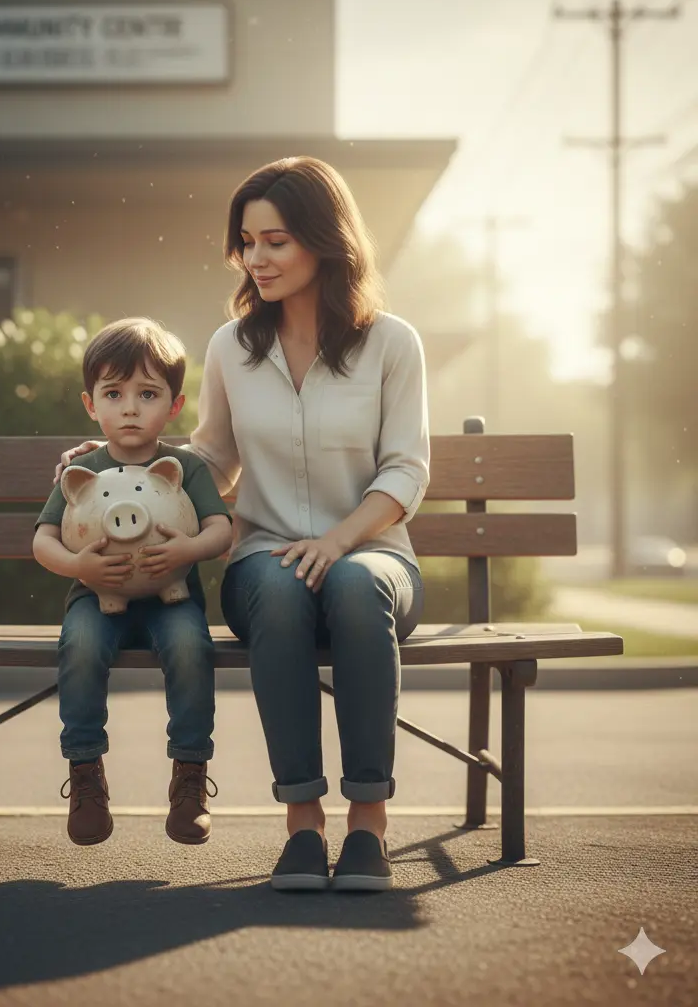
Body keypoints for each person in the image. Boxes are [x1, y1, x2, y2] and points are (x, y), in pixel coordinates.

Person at [56, 157, 429, 892]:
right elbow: (213, 458)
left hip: (378, 559)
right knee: (284, 589)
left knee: (353, 587)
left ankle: (367, 827)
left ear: (326, 241)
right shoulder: (232, 346)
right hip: (263, 560)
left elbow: (406, 472)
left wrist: (338, 540)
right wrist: (114, 467)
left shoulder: (392, 343)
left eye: (276, 241)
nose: (256, 258)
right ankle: (302, 826)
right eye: (247, 242)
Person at [33, 317, 233, 848]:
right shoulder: (83, 469)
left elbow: (220, 528)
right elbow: (44, 540)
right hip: (96, 596)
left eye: (147, 394)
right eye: (113, 393)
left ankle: (190, 777)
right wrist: (80, 569)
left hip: (173, 600)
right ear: (90, 404)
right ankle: (85, 774)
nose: (129, 407)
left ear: (173, 405)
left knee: (193, 647)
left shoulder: (183, 467)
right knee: (78, 645)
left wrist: (189, 550)